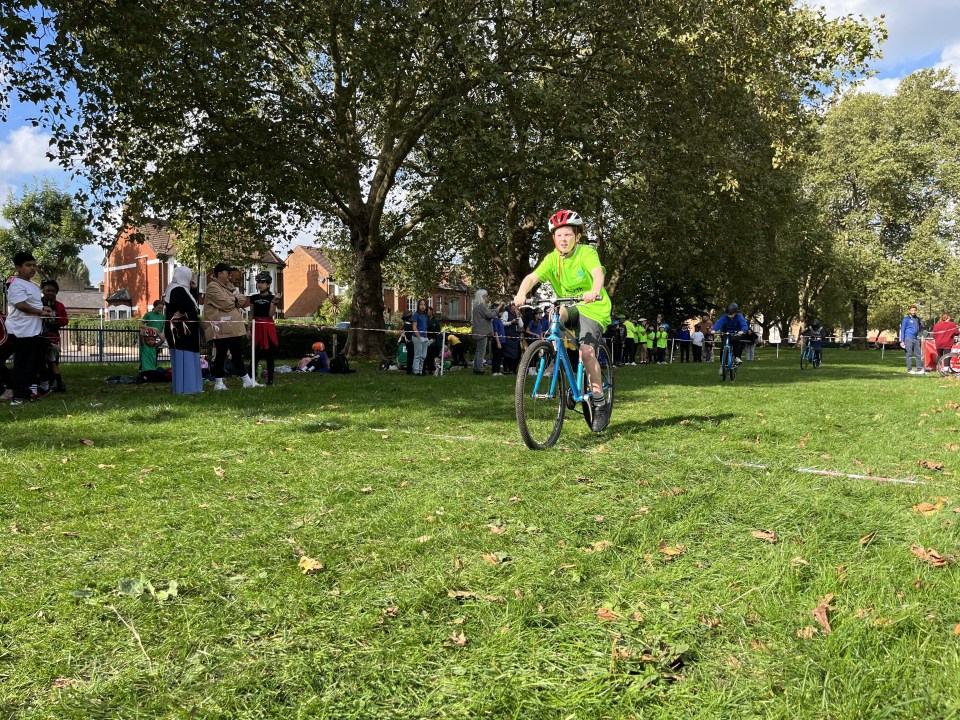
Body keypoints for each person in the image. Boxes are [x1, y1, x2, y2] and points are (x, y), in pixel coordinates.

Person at [513, 209, 612, 431]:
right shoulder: (552, 259)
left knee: (586, 352)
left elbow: (598, 274)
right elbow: (532, 277)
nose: (563, 239)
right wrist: (521, 293)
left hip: (593, 308)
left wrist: (594, 291)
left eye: (568, 234)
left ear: (577, 236)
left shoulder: (586, 253)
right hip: (571, 306)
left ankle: (599, 402)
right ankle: (554, 352)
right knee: (556, 316)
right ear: (554, 239)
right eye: (559, 235)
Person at [202, 262, 260, 390]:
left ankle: (247, 381)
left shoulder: (229, 286)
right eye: (227, 273)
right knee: (221, 354)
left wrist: (235, 298)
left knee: (237, 354)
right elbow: (225, 303)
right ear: (219, 274)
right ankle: (218, 383)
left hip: (232, 327)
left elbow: (242, 300)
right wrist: (235, 298)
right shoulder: (212, 287)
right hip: (221, 327)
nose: (230, 275)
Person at [6, 252, 52, 406]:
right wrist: (40, 312)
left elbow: (33, 304)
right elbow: (20, 305)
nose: (33, 268)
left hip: (33, 330)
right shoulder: (16, 284)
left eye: (34, 265)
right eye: (28, 265)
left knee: (31, 364)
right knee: (22, 364)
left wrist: (43, 308)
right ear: (18, 267)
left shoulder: (33, 285)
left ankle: (26, 394)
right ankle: (18, 397)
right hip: (20, 330)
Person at [163, 266, 203, 395]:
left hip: (184, 332)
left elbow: (190, 303)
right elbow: (185, 305)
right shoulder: (177, 290)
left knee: (188, 357)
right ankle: (187, 388)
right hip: (182, 333)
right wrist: (182, 312)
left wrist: (193, 289)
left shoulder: (178, 289)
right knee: (185, 358)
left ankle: (190, 387)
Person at [249, 272, 282, 385]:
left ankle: (270, 380)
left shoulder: (272, 297)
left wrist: (274, 302)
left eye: (262, 282)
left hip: (268, 325)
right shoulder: (253, 297)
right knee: (255, 354)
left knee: (269, 354)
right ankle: (251, 379)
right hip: (256, 325)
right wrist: (249, 329)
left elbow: (270, 314)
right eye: (258, 282)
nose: (260, 284)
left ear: (268, 284)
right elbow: (251, 314)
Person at [40, 280, 69, 392]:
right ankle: (55, 383)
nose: (50, 293)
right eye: (48, 290)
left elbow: (65, 320)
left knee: (53, 362)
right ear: (43, 291)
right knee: (42, 361)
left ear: (56, 292)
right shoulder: (37, 304)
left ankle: (54, 384)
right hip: (39, 336)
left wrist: (55, 321)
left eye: (53, 291)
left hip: (53, 337)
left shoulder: (59, 306)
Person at [471, 289, 504, 375]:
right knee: (481, 352)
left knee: (478, 351)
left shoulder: (476, 306)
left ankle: (476, 368)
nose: (487, 297)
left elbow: (488, 313)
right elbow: (490, 315)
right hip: (482, 332)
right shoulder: (481, 306)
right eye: (486, 296)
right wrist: (498, 308)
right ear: (482, 297)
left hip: (478, 331)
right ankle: (480, 369)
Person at [712, 303, 749, 372]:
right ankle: (722, 365)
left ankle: (737, 357)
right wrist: (714, 329)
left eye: (732, 314)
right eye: (728, 314)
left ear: (735, 312)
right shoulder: (724, 316)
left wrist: (742, 331)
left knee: (736, 341)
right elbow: (719, 323)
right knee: (723, 348)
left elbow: (744, 324)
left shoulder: (739, 316)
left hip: (736, 333)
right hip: (726, 333)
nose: (730, 316)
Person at [140, 298, 166, 376]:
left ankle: (153, 367)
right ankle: (143, 367)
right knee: (146, 352)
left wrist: (162, 334)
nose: (160, 310)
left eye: (162, 308)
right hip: (149, 336)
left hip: (157, 336)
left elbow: (163, 326)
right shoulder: (148, 314)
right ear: (154, 306)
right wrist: (152, 328)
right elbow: (141, 325)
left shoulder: (162, 316)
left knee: (154, 353)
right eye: (159, 308)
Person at [899, 304, 925, 375]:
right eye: (912, 310)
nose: (913, 312)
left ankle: (919, 369)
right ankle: (910, 369)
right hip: (908, 338)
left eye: (914, 310)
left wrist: (920, 333)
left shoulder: (917, 319)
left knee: (918, 354)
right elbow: (902, 330)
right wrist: (902, 341)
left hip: (916, 338)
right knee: (909, 354)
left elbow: (919, 328)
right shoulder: (906, 319)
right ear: (909, 311)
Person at [411, 299, 430, 376]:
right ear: (418, 305)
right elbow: (414, 327)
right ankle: (416, 372)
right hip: (417, 337)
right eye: (421, 304)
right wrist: (419, 337)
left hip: (425, 337)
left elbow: (425, 327)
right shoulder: (416, 315)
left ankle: (421, 371)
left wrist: (426, 337)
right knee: (418, 355)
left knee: (423, 356)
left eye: (424, 305)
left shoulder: (425, 315)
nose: (423, 306)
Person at [502, 303, 522, 374]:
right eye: (513, 306)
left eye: (516, 306)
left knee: (514, 354)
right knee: (507, 354)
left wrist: (518, 316)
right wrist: (511, 322)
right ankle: (506, 369)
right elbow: (503, 323)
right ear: (510, 307)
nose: (515, 307)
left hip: (515, 336)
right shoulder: (506, 313)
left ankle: (512, 369)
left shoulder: (516, 315)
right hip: (508, 335)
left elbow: (521, 325)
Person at [425, 306, 442, 374]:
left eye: (428, 310)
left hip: (434, 341)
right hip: (426, 340)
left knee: (432, 355)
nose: (427, 312)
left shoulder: (435, 321)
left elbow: (438, 331)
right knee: (427, 355)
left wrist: (436, 340)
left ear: (432, 311)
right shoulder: (425, 320)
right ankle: (429, 368)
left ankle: (433, 368)